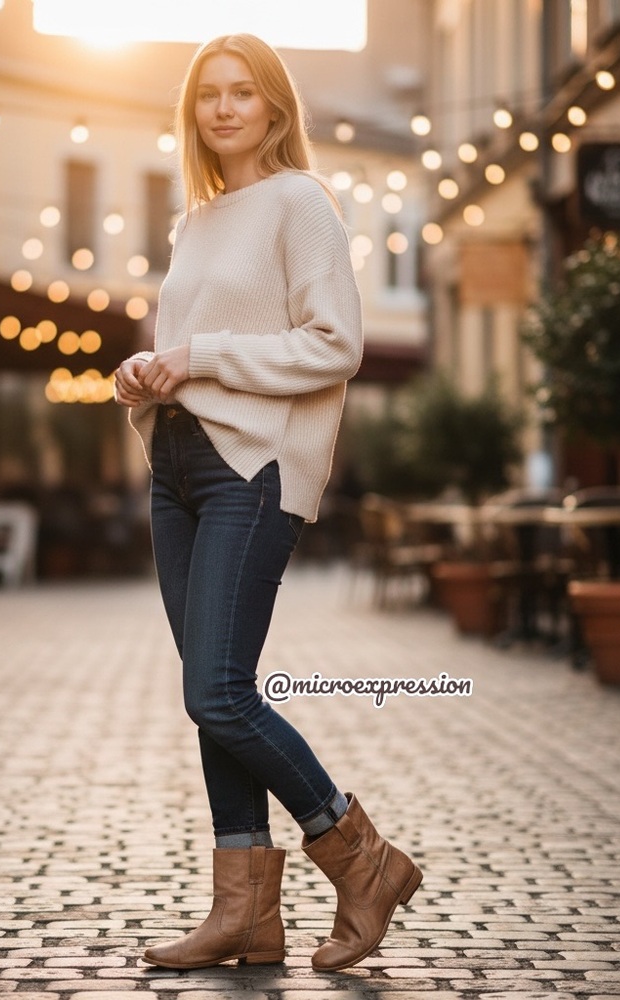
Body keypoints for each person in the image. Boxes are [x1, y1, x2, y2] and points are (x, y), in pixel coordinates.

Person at [114, 33, 421, 973]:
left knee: (218, 690)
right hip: (176, 462)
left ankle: (360, 857)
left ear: (276, 108)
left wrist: (198, 357)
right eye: (209, 94)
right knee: (215, 698)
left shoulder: (302, 202)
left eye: (243, 92)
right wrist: (147, 376)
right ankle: (244, 913)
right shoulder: (195, 222)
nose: (223, 108)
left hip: (251, 469)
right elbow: (191, 350)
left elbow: (335, 344)